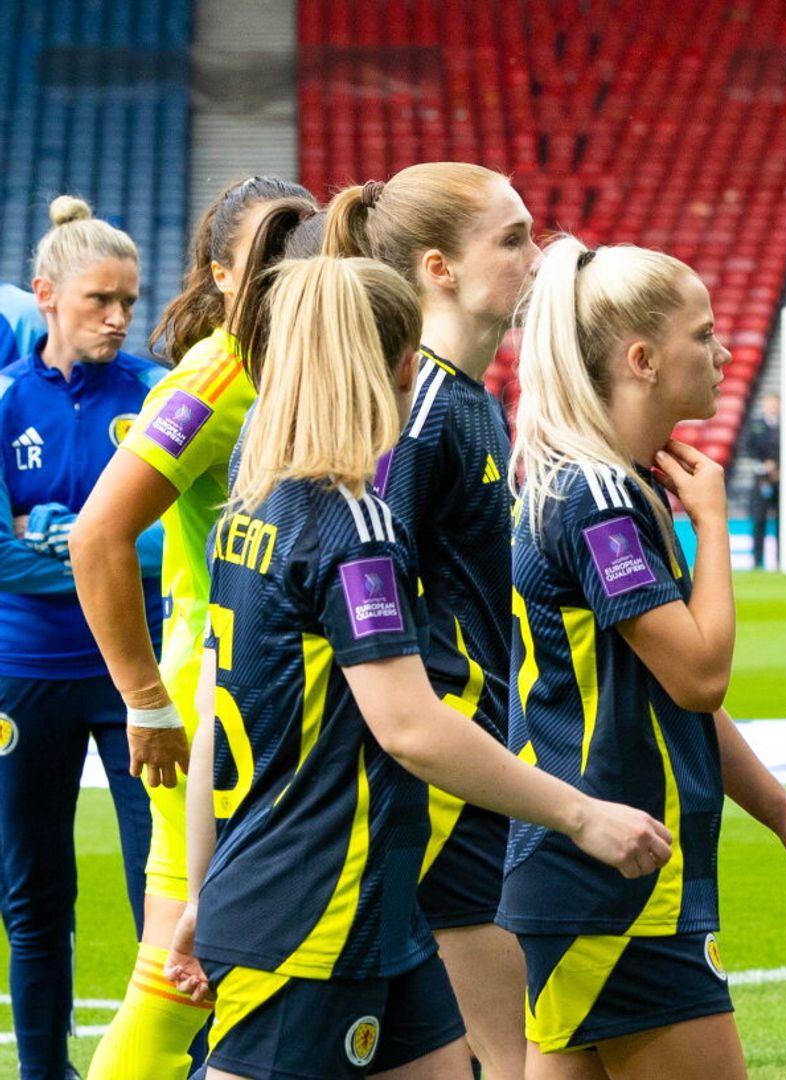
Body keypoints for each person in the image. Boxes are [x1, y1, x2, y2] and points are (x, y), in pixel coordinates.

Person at [152, 253, 670, 1080]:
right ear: (400, 366)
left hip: (355, 903)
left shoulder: (249, 508)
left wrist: (208, 888)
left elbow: (218, 719)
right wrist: (581, 816)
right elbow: (412, 728)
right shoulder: (353, 526)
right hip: (315, 907)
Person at [505, 236, 786, 1078]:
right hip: (619, 874)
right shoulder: (600, 499)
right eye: (702, 335)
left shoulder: (600, 483)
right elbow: (701, 676)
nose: (724, 351)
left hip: (588, 868)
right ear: (641, 359)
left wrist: (783, 815)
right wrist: (713, 524)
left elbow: (670, 694)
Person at [69, 175, 317, 1080]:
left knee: (200, 978)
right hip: (218, 700)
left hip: (275, 691)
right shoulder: (217, 373)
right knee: (208, 972)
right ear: (220, 273)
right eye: (268, 258)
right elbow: (97, 534)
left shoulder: (296, 368)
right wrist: (146, 701)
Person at [322, 162, 537, 1078]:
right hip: (444, 774)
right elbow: (368, 580)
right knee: (520, 1056)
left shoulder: (469, 401)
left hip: (477, 753)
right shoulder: (424, 412)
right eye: (514, 238)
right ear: (440, 267)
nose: (537, 255)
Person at [0, 197, 163, 1079]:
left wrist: (63, 532)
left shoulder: (156, 395)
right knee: (32, 897)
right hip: (21, 674)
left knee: (160, 892)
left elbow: (176, 542)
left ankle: (171, 1063)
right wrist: (108, 548)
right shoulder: (2, 403)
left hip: (134, 677)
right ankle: (43, 1073)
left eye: (128, 301)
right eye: (101, 299)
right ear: (46, 295)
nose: (117, 317)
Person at [740, 394, 779, 569]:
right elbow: (747, 448)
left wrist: (778, 467)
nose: (771, 406)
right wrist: (764, 466)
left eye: (775, 403)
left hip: (781, 480)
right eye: (768, 403)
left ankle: (781, 561)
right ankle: (757, 561)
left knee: (782, 522)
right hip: (761, 479)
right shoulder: (755, 425)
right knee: (759, 520)